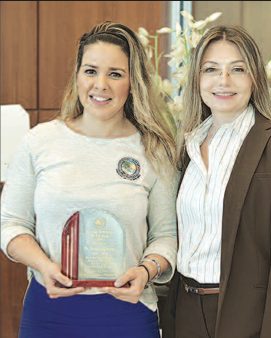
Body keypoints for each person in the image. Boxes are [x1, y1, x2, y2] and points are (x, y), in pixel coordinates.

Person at [1, 21, 178, 338]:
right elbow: (10, 224)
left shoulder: (154, 150)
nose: (101, 85)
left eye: (115, 74)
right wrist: (43, 265)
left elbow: (166, 236)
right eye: (91, 71)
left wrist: (146, 269)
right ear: (77, 75)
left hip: (128, 314)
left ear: (132, 82)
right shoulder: (39, 142)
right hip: (49, 313)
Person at [162, 25, 271, 338]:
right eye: (211, 69)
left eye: (238, 69)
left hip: (246, 316)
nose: (223, 81)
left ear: (255, 77)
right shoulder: (185, 148)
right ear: (197, 79)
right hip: (185, 311)